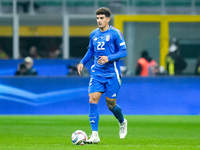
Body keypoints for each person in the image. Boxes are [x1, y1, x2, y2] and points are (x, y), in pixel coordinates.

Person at [77, 7, 128, 144]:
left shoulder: (116, 33)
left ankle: (122, 121)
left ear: (108, 19)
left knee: (111, 104)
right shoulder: (94, 34)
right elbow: (91, 51)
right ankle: (95, 135)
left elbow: (123, 52)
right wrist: (82, 62)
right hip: (97, 73)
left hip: (112, 73)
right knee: (92, 99)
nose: (99, 21)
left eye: (102, 18)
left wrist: (109, 58)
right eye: (98, 18)